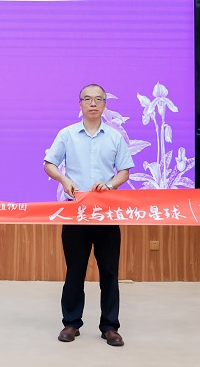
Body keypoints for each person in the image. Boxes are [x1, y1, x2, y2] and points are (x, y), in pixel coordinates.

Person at [44, 83, 134, 347]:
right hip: (76, 212)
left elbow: (124, 171)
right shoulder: (67, 134)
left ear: (105, 104)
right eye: (87, 99)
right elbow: (49, 163)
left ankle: (110, 327)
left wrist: (111, 185)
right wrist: (64, 179)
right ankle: (71, 323)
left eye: (98, 99)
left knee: (109, 271)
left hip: (106, 213)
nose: (93, 103)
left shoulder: (115, 137)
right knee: (75, 270)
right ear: (80, 104)